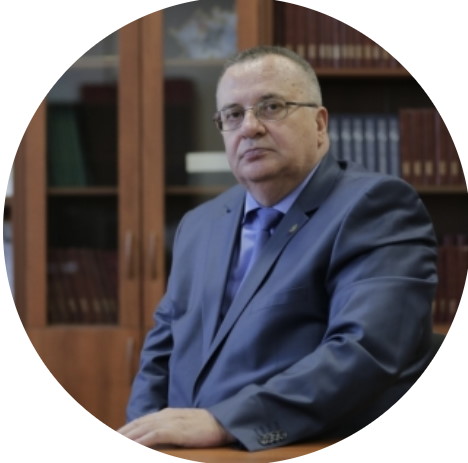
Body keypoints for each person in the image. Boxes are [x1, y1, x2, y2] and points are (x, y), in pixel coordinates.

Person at [118, 46, 437, 451]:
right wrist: (143, 431)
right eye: (233, 115)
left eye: (271, 107)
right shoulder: (199, 224)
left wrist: (225, 423)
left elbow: (366, 351)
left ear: (319, 124)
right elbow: (162, 349)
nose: (250, 127)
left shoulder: (376, 207)